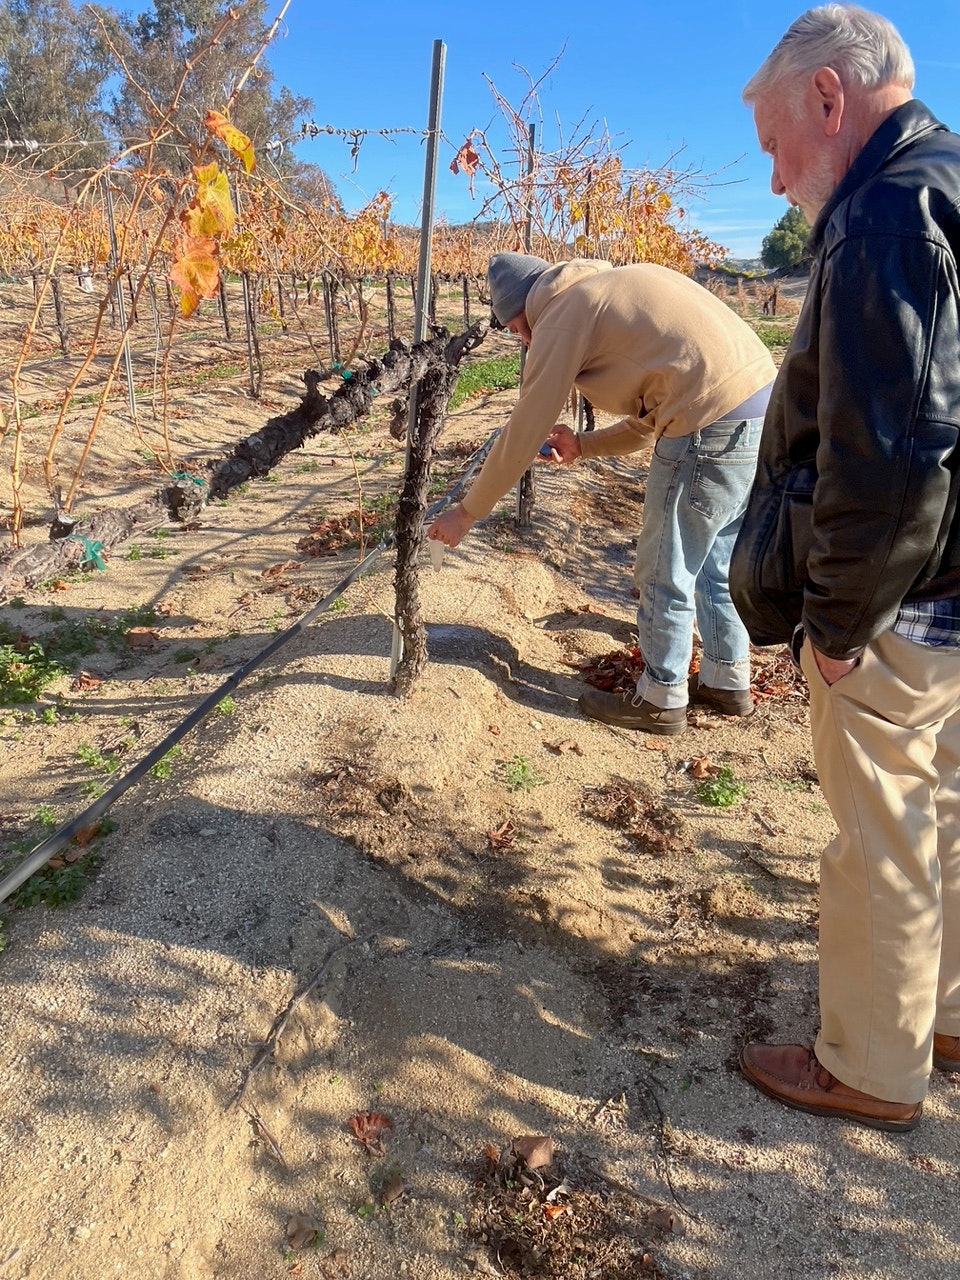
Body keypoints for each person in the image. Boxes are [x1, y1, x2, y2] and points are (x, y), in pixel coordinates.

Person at [731, 3, 960, 1131]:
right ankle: (942, 1013)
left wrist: (834, 622)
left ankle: (872, 1062)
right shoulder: (951, 182)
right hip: (956, 577)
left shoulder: (882, 217)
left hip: (906, 595)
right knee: (949, 805)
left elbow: (892, 453)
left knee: (880, 827)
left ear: (831, 99)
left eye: (776, 145)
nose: (775, 181)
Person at [428, 252, 775, 735]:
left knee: (664, 566)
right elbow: (649, 421)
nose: (521, 339)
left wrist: (466, 512)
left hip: (706, 423)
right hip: (757, 416)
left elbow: (526, 423)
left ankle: (660, 697)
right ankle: (726, 679)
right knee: (714, 560)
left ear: (525, 308)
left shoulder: (564, 310)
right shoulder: (612, 290)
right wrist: (584, 446)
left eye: (515, 328)